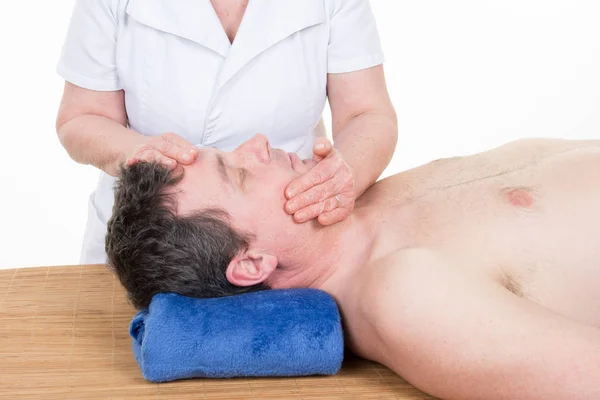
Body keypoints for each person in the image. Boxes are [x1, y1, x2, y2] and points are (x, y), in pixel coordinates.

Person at [106, 133, 600, 400]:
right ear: (253, 263)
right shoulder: (406, 295)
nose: (256, 143)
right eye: (239, 172)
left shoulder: (359, 197)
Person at [54, 0, 398, 265]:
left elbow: (367, 113)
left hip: (287, 237)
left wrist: (341, 175)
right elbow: (81, 117)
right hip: (152, 239)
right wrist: (136, 152)